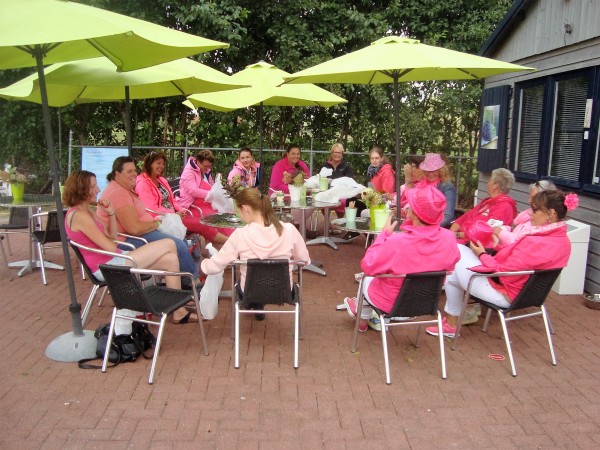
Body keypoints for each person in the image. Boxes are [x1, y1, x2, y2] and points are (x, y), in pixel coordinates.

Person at [427, 189, 578, 338]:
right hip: (530, 295)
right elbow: (519, 260)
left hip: (505, 294)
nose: (530, 215)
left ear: (551, 214)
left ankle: (452, 323)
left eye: (535, 210)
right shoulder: (563, 241)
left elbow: (502, 271)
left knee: (456, 252)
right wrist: (496, 247)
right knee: (455, 269)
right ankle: (452, 322)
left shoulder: (535, 241)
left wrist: (482, 254)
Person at [63, 170, 198, 324]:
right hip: (108, 266)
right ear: (81, 189)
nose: (98, 190)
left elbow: (112, 236)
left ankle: (178, 311)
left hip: (116, 257)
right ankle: (157, 296)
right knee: (170, 243)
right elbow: (110, 246)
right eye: (93, 186)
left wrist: (111, 213)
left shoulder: (87, 211)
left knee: (171, 259)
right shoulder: (80, 216)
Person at [344, 185, 460, 332]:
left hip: (390, 304)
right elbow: (451, 265)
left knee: (366, 278)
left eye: (411, 206)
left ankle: (362, 320)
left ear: (415, 214)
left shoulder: (397, 241)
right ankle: (365, 315)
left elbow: (368, 265)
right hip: (425, 304)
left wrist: (383, 236)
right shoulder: (449, 238)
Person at [200, 188, 311, 320]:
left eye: (238, 211)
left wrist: (202, 265)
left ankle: (256, 305)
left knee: (245, 279)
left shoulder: (241, 234)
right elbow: (304, 260)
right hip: (283, 290)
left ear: (245, 208)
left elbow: (216, 265)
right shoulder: (289, 230)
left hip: (249, 292)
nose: (239, 216)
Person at [97, 156, 200, 285]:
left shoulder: (122, 188)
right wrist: (157, 223)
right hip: (126, 241)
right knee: (178, 244)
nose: (134, 174)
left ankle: (180, 282)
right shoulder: (118, 193)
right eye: (129, 171)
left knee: (180, 238)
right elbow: (134, 229)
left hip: (138, 233)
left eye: (135, 170)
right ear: (117, 174)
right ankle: (192, 282)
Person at [135, 151, 222, 244]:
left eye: (163, 164)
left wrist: (180, 209)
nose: (161, 166)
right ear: (149, 164)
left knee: (206, 223)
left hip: (174, 216)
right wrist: (173, 214)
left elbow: (172, 200)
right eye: (158, 163)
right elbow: (152, 209)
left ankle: (221, 248)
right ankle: (230, 243)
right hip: (161, 220)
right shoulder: (143, 184)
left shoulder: (161, 180)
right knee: (204, 226)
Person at [178, 149, 233, 246]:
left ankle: (230, 241)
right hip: (191, 207)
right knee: (218, 216)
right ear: (198, 162)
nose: (207, 168)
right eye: (205, 166)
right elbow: (193, 191)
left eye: (209, 166)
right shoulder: (188, 172)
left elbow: (211, 186)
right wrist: (212, 194)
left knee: (226, 213)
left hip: (202, 202)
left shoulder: (205, 170)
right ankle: (230, 242)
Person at [449, 168, 517, 244]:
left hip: (474, 245)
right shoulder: (487, 202)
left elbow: (485, 232)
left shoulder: (504, 207)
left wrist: (457, 235)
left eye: (490, 181)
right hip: (461, 239)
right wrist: (451, 232)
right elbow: (465, 216)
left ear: (495, 186)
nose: (487, 184)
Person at [495, 179, 557, 245]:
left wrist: (501, 233)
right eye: (530, 196)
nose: (529, 200)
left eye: (533, 198)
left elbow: (522, 243)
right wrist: (503, 228)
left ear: (545, 200)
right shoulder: (527, 214)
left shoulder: (542, 223)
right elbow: (515, 230)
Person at [406, 153, 456, 228]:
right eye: (428, 170)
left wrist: (428, 228)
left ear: (441, 171)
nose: (430, 174)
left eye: (434, 170)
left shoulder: (447, 186)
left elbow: (448, 216)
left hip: (440, 228)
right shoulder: (422, 184)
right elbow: (416, 209)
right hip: (421, 226)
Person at [320, 143, 355, 219]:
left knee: (342, 200)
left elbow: (350, 181)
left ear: (342, 155)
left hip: (341, 192)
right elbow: (321, 179)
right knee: (322, 198)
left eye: (339, 153)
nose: (337, 154)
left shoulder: (346, 166)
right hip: (327, 190)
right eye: (335, 152)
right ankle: (327, 222)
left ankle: (340, 220)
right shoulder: (325, 165)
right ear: (331, 154)